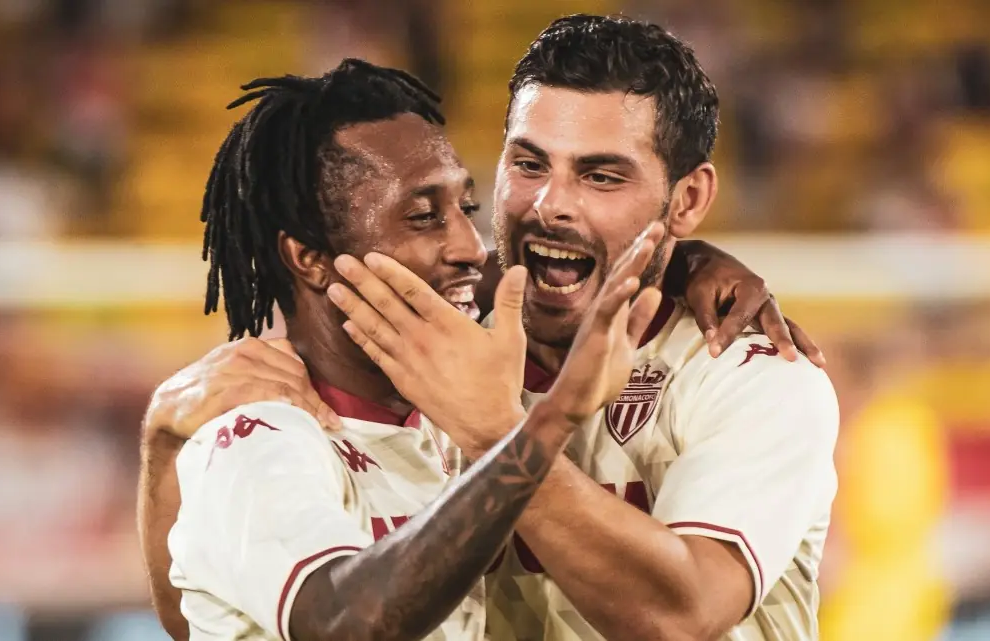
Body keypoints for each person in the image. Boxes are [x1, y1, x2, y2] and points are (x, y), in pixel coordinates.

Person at [138, 58, 814, 641]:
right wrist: (541, 423)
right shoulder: (266, 434)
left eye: (464, 208)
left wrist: (679, 258)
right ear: (310, 258)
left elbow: (683, 615)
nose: (471, 246)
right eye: (528, 165)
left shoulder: (451, 396)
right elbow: (340, 620)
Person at [325, 15, 838, 640]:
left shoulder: (754, 379)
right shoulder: (413, 350)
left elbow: (681, 617)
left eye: (601, 176)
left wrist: (499, 435)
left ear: (688, 200)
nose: (550, 204)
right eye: (529, 164)